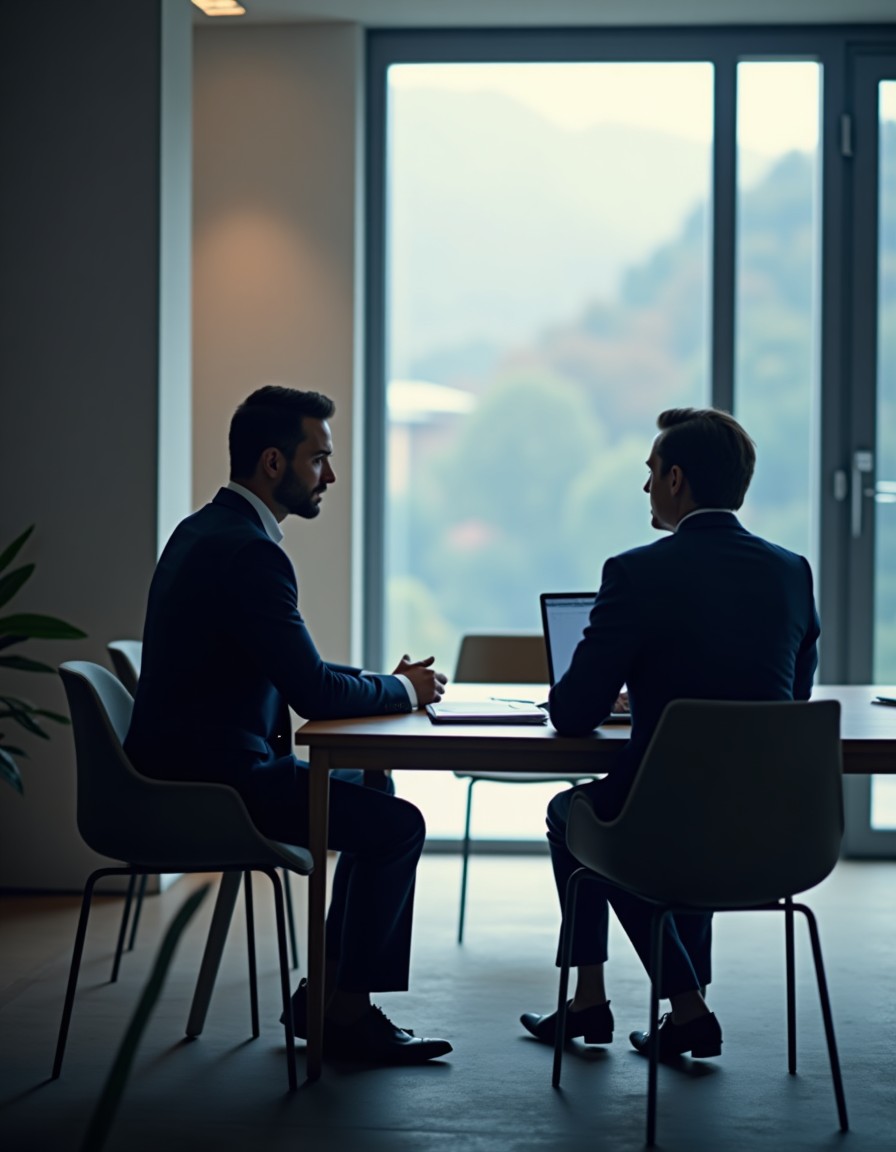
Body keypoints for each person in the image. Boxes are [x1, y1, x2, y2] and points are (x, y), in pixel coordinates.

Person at [125, 385, 452, 1064]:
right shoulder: (251, 554)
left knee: (374, 790)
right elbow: (309, 690)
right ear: (274, 464)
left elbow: (291, 665)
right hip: (215, 783)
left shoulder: (206, 530)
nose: (329, 476)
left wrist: (385, 686)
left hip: (182, 767)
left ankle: (329, 998)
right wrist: (400, 689)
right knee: (399, 829)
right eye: (319, 459)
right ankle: (347, 1015)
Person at [521, 407, 820, 1061]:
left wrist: (634, 689)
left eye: (651, 472)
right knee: (660, 815)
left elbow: (572, 715)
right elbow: (791, 705)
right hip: (776, 834)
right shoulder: (792, 571)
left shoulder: (636, 573)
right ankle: (650, 1005)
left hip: (665, 830)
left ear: (677, 478)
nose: (646, 487)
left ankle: (608, 1002)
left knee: (574, 814)